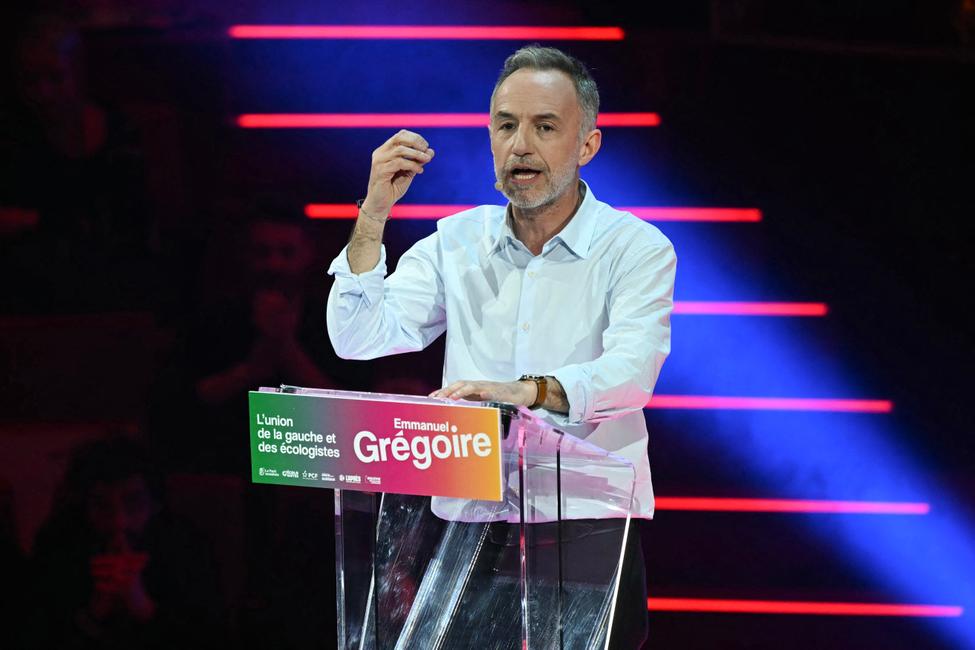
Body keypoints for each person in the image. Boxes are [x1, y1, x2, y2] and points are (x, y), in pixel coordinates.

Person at [326, 45, 676, 648]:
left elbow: (631, 372)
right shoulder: (456, 242)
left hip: (584, 526)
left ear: (587, 145)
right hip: (469, 526)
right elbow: (356, 336)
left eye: (545, 127)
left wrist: (526, 392)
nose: (521, 146)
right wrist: (374, 212)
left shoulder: (635, 249)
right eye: (506, 125)